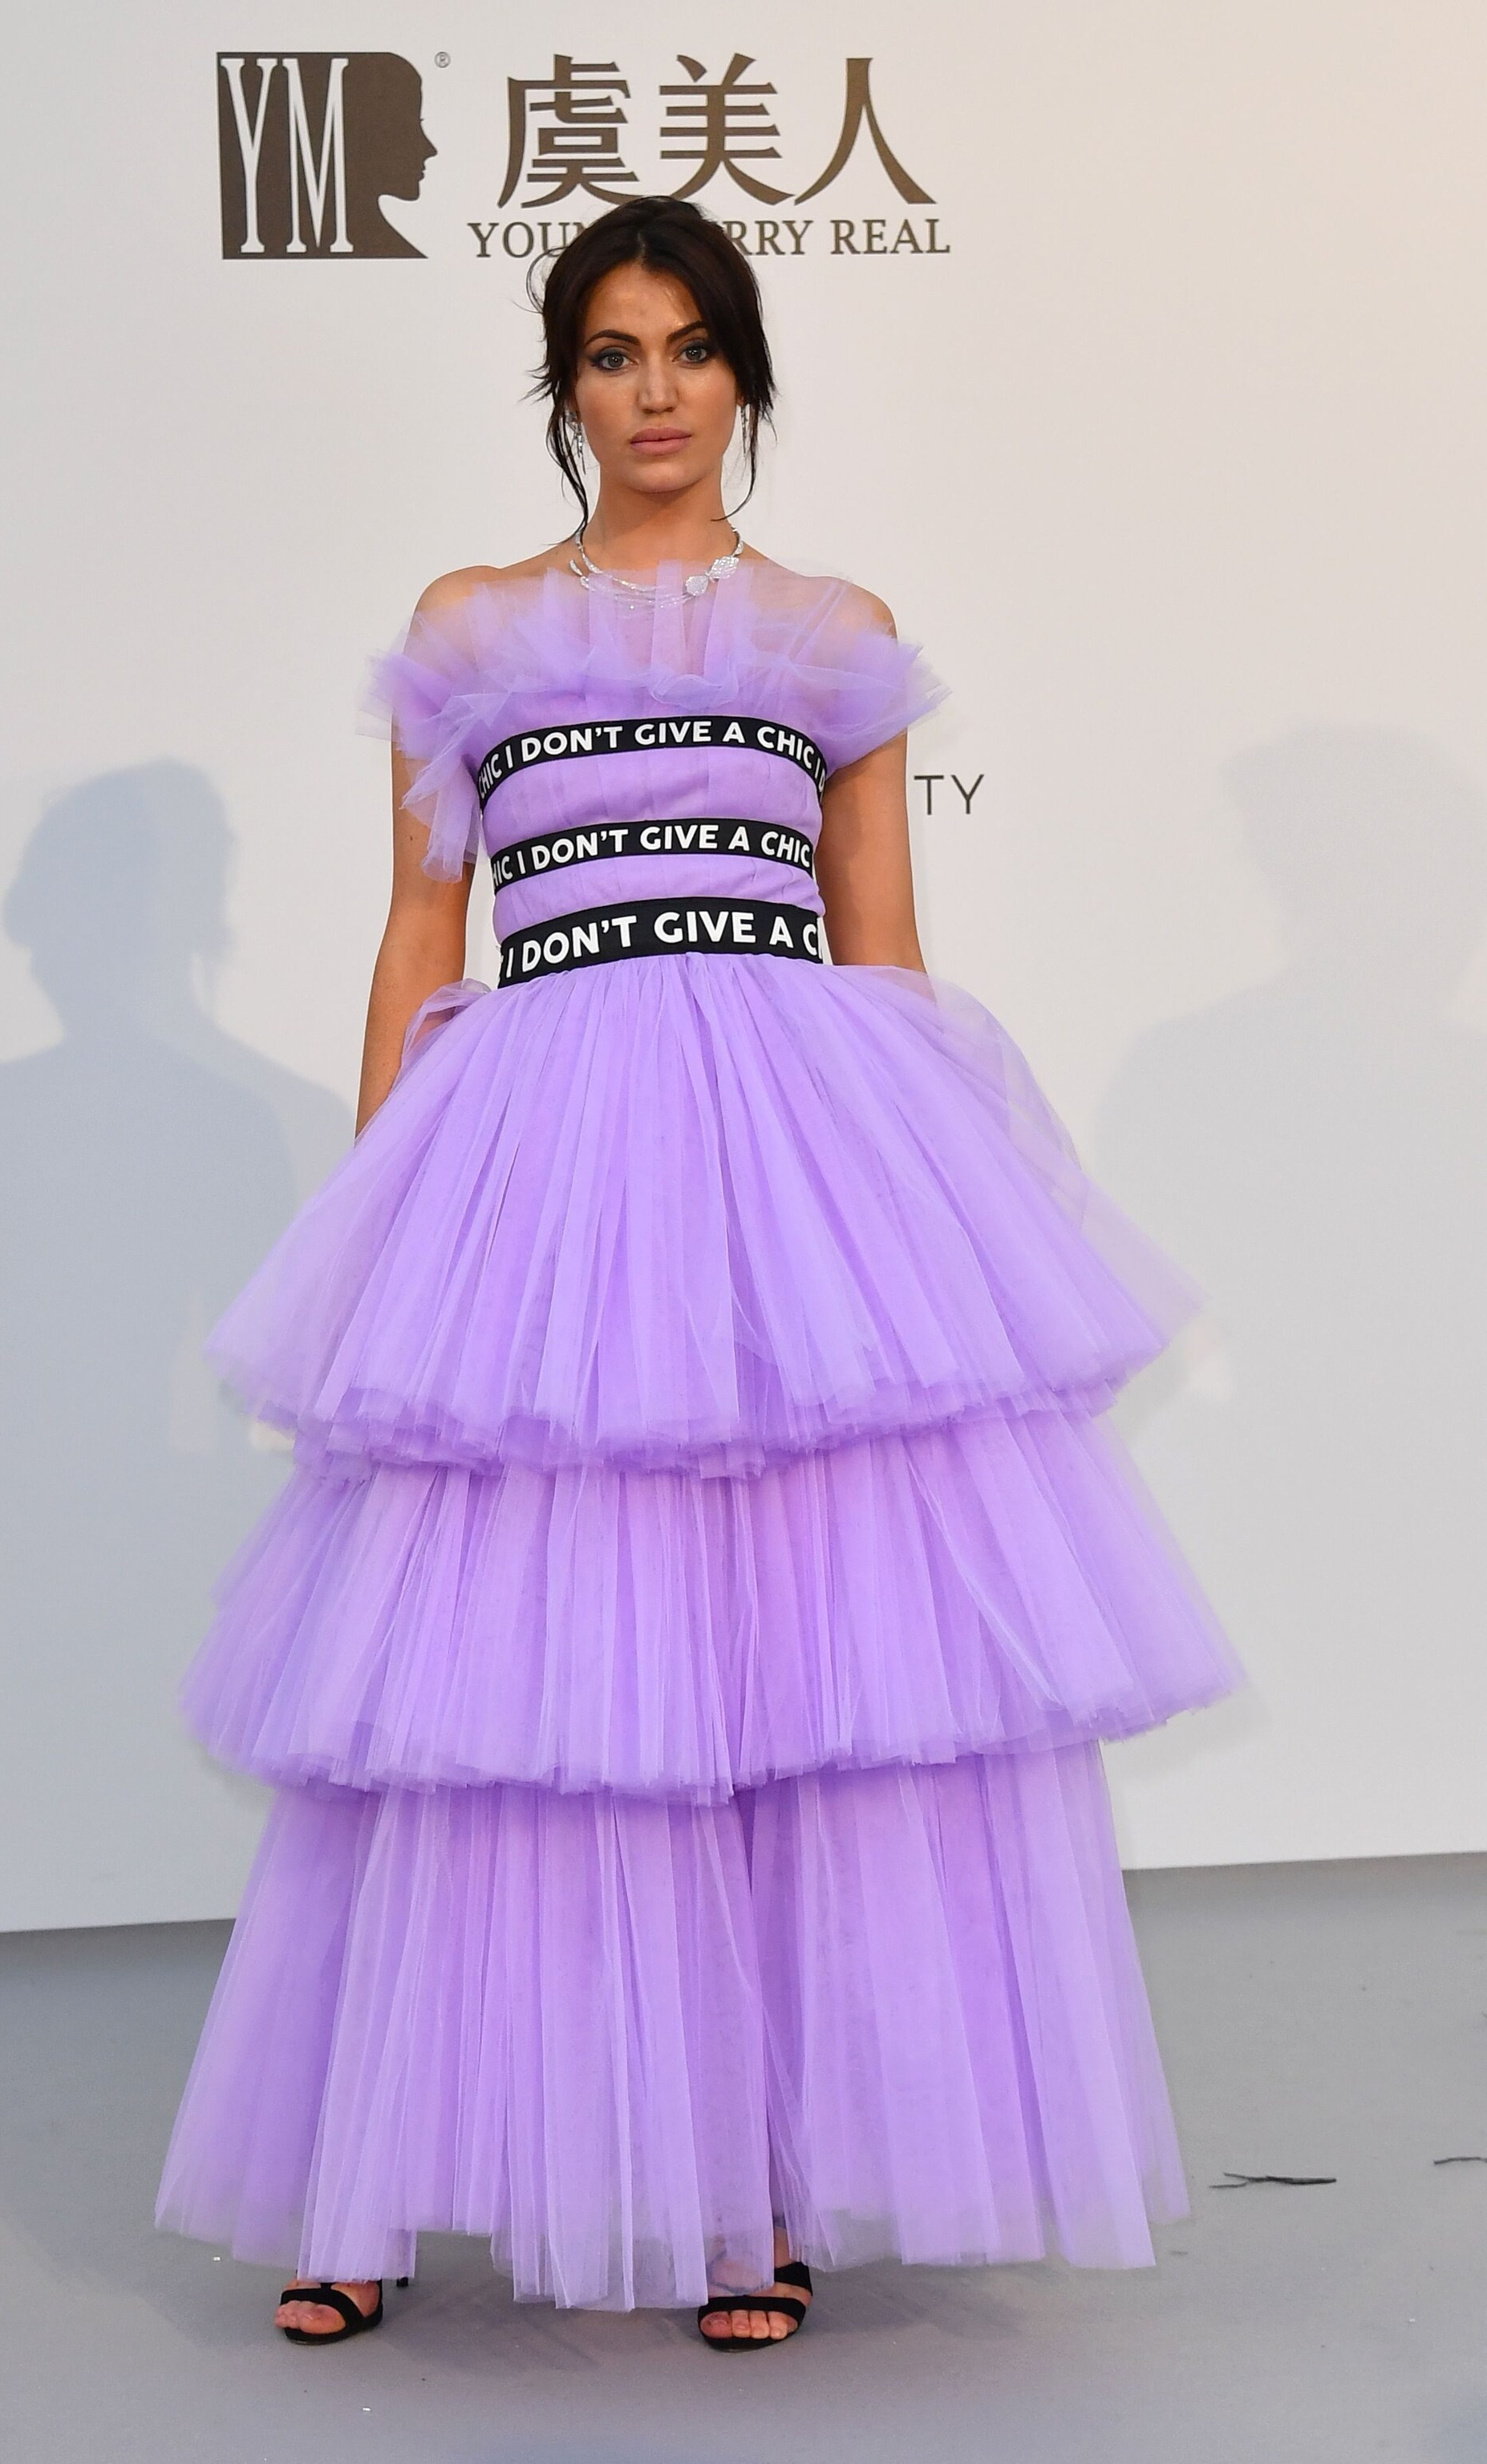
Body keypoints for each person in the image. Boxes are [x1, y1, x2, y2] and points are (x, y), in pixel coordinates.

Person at [156, 196, 1239, 2353]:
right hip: (540, 1174)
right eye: (611, 353)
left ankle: (751, 2194)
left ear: (745, 373)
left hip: (777, 1173)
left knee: (764, 1675)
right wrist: (381, 1222)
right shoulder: (469, 627)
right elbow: (419, 934)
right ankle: (370, 2184)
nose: (653, 391)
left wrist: (923, 1236)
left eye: (690, 348)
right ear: (564, 385)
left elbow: (883, 948)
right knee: (478, 1683)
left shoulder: (834, 635)